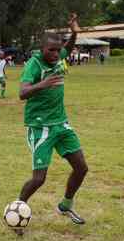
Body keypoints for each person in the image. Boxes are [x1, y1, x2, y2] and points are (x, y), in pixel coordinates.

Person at [15, 13, 87, 227]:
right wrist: (42, 84)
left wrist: (74, 31)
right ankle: (17, 210)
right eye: (51, 50)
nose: (56, 54)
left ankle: (65, 205)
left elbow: (69, 46)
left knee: (81, 168)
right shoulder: (34, 64)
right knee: (39, 179)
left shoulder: (59, 55)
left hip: (61, 123)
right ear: (42, 48)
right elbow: (22, 92)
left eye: (58, 50)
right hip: (40, 126)